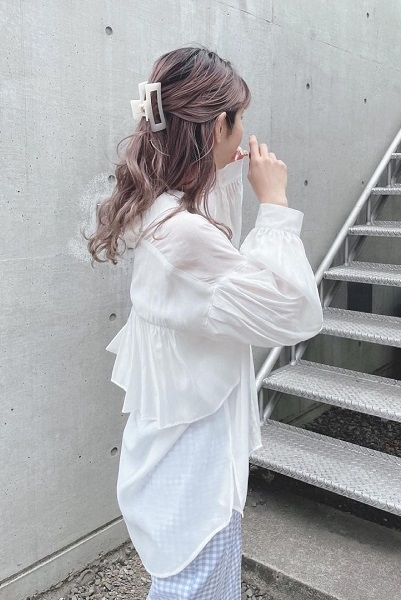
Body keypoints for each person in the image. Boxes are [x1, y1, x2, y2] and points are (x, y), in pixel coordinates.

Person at [87, 47, 323, 600]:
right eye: (238, 121)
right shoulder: (183, 236)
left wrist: (225, 169)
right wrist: (277, 205)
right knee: (196, 586)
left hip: (177, 459)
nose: (244, 133)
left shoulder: (161, 208)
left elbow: (216, 241)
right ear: (218, 125)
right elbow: (294, 311)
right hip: (194, 476)